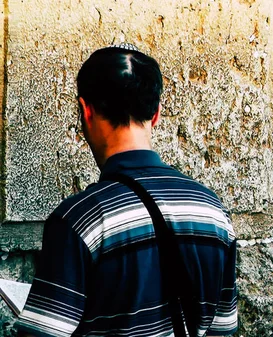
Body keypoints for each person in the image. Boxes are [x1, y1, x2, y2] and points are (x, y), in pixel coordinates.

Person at [15, 43, 238, 336]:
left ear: (86, 111)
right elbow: (223, 328)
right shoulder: (212, 210)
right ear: (156, 114)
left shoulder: (80, 220)